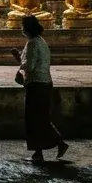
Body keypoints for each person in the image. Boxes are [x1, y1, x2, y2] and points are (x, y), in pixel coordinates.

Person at [11, 14, 68, 161]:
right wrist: (20, 58)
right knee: (41, 118)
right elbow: (32, 61)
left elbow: (29, 66)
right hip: (45, 82)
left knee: (34, 119)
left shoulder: (32, 43)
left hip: (36, 84)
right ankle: (47, 148)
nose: (21, 29)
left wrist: (19, 64)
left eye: (22, 26)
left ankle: (44, 149)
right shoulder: (41, 42)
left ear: (27, 28)